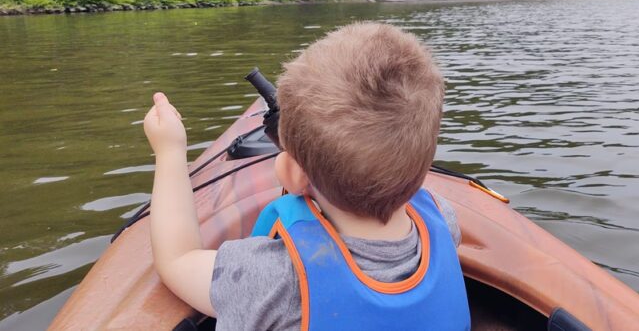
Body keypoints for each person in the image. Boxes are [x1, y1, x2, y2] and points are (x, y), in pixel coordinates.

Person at [143, 22, 470, 330]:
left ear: (290, 174)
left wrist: (170, 151)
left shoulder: (269, 280)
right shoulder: (444, 219)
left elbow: (177, 259)